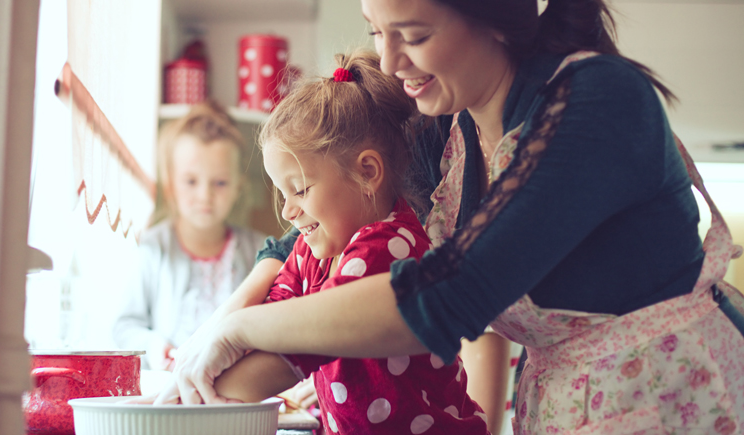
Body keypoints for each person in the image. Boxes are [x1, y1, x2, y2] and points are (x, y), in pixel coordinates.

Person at [162, 0, 744, 432]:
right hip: (566, 406)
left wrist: (238, 330)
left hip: (672, 398)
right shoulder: (446, 124)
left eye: (411, 35)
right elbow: (304, 235)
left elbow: (443, 298)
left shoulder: (598, 102)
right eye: (376, 33)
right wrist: (215, 336)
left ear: (494, 17)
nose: (390, 61)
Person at [209, 50, 489, 435]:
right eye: (282, 195)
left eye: (300, 190)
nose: (289, 212)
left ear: (367, 172)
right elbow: (276, 307)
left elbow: (295, 348)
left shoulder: (389, 246)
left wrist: (197, 393)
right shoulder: (313, 248)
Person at [113, 101, 266, 371]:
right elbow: (125, 326)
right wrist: (155, 347)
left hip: (236, 391)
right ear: (171, 185)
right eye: (191, 181)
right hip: (170, 389)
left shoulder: (261, 252)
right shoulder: (153, 247)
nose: (204, 196)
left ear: (238, 187)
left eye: (219, 183)